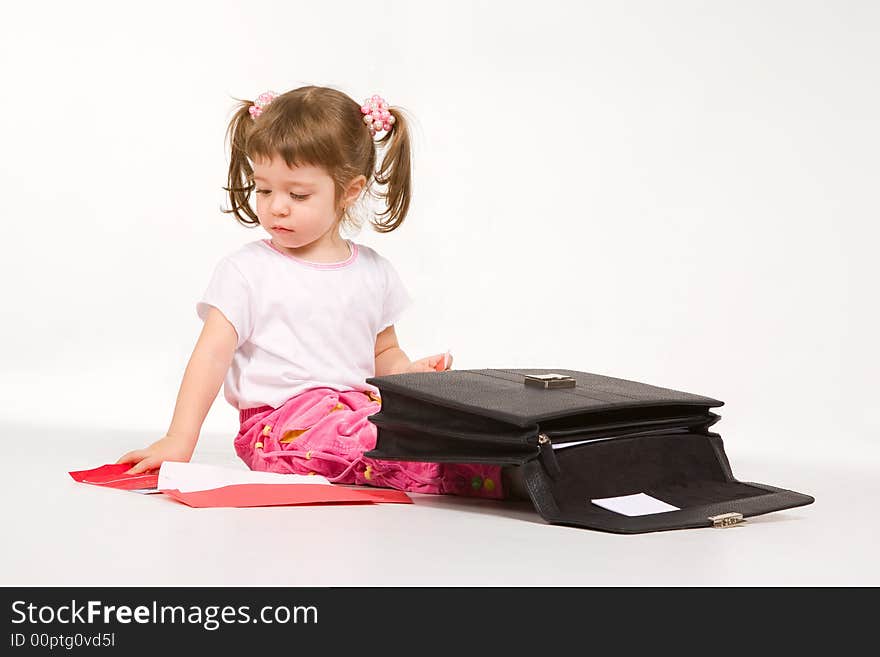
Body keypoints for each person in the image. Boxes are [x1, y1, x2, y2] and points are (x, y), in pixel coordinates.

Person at [116, 86, 522, 500]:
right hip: (280, 426)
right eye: (264, 189)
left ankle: (515, 460)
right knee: (372, 442)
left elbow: (384, 356)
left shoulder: (373, 272)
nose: (276, 207)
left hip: (358, 408)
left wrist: (411, 374)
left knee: (416, 427)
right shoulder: (247, 270)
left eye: (297, 194)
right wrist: (179, 439)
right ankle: (500, 477)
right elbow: (211, 356)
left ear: (349, 191)